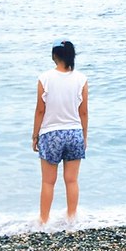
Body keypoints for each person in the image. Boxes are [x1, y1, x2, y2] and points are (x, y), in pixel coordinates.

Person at [32, 39, 88, 226]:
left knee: (48, 182)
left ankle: (43, 221)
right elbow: (84, 112)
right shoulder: (81, 79)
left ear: (54, 55)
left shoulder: (45, 78)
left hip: (51, 134)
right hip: (74, 133)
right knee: (71, 180)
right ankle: (72, 220)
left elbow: (40, 110)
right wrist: (84, 136)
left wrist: (35, 134)